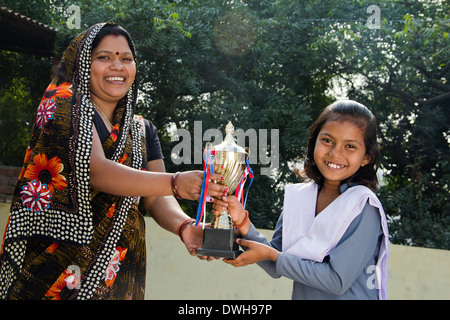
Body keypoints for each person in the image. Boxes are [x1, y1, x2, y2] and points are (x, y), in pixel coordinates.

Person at [0, 22, 226, 300]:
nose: (117, 66)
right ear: (84, 64)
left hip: (120, 268)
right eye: (104, 57)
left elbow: (155, 198)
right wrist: (176, 182)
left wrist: (185, 226)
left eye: (126, 59)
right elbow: (96, 170)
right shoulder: (63, 101)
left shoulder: (142, 130)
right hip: (60, 265)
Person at [213, 100, 390, 300]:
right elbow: (275, 263)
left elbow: (336, 281)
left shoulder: (363, 205)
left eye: (350, 146)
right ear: (314, 142)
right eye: (327, 140)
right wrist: (243, 223)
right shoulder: (300, 198)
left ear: (366, 157)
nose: (335, 153)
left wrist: (273, 256)